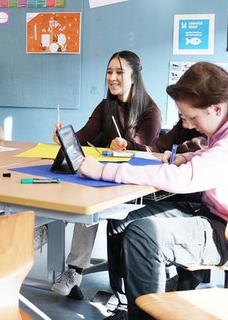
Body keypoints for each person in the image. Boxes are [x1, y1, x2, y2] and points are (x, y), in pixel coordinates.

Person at [76, 62, 228, 319]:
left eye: (192, 117)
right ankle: (127, 303)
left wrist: (105, 171)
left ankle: (144, 315)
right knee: (121, 220)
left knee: (144, 235)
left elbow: (187, 179)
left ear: (216, 108)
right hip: (223, 216)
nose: (189, 125)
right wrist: (189, 158)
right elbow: (216, 157)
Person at [51, 50, 161, 298]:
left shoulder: (150, 111)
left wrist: (126, 146)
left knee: (87, 198)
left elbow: (144, 153)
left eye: (119, 72)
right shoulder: (106, 105)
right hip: (104, 177)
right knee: (67, 186)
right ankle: (41, 232)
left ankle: (74, 269)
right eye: (109, 72)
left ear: (134, 76)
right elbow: (82, 137)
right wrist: (63, 138)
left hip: (131, 186)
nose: (112, 77)